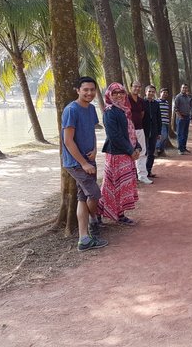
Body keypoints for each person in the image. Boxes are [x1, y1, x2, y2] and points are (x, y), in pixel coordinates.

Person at [61, 76, 108, 251]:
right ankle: (94, 221)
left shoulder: (91, 109)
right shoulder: (71, 110)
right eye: (85, 89)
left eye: (92, 90)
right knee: (95, 194)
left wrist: (95, 150)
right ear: (78, 90)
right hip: (76, 162)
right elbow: (68, 140)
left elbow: (93, 132)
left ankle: (84, 239)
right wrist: (83, 163)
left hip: (89, 159)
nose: (89, 93)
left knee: (83, 197)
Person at [99, 83, 141, 226]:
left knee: (122, 186)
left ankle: (120, 213)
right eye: (115, 93)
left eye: (121, 92)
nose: (118, 95)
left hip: (126, 154)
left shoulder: (124, 110)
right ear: (109, 95)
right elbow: (114, 135)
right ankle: (99, 214)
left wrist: (137, 147)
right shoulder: (110, 111)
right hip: (116, 154)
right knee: (111, 185)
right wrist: (130, 150)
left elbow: (130, 132)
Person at [128, 81, 151, 184]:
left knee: (142, 152)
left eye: (139, 87)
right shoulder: (126, 99)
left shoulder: (141, 101)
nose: (137, 88)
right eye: (135, 86)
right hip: (128, 130)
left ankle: (142, 175)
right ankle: (130, 177)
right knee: (129, 153)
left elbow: (142, 113)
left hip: (139, 128)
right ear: (131, 86)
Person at [143, 85, 162, 178]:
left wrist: (159, 132)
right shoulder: (142, 102)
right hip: (143, 131)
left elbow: (159, 118)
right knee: (142, 152)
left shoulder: (156, 104)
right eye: (149, 91)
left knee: (151, 152)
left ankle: (148, 171)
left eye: (153, 92)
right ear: (145, 92)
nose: (151, 93)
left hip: (153, 131)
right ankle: (140, 172)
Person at [174, 83, 192, 154]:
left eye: (186, 88)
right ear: (181, 88)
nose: (184, 89)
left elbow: (190, 107)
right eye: (183, 88)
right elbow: (175, 108)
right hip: (180, 118)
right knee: (180, 133)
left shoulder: (189, 97)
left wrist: (190, 116)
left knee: (185, 133)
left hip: (187, 117)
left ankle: (184, 148)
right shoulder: (178, 97)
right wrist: (180, 116)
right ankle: (180, 149)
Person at [156, 88, 170, 155]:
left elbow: (167, 112)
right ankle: (157, 149)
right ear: (160, 93)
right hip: (160, 122)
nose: (165, 94)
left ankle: (161, 150)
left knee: (165, 136)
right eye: (163, 92)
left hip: (166, 121)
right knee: (162, 136)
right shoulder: (157, 102)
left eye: (166, 93)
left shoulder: (167, 102)